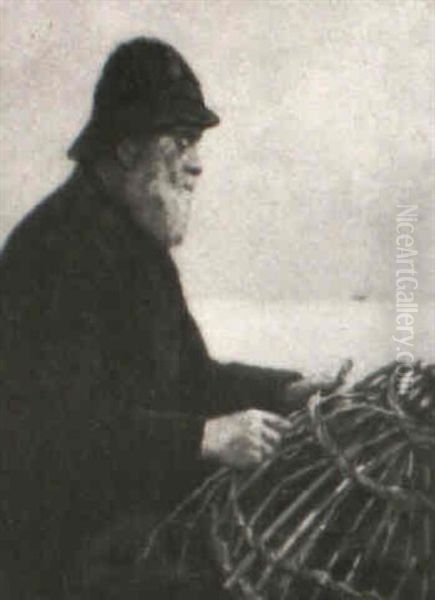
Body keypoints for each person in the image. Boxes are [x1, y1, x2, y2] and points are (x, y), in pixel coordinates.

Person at [0, 38, 343, 599]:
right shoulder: (52, 250)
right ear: (127, 150)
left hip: (135, 531)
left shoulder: (136, 248)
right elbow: (51, 433)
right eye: (182, 142)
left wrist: (287, 390)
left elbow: (192, 377)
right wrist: (202, 438)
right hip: (69, 559)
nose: (197, 163)